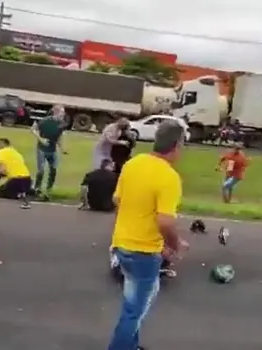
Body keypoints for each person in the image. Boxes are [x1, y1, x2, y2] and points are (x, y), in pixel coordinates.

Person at [107, 120, 189, 350]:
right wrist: (176, 244)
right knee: (134, 312)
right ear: (176, 144)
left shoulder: (134, 164)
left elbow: (117, 200)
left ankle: (131, 346)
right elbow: (164, 221)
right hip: (143, 253)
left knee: (133, 302)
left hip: (121, 244)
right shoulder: (169, 177)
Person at [32, 104, 67, 200]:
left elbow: (59, 136)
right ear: (56, 112)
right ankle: (37, 188)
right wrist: (41, 139)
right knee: (41, 170)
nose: (63, 114)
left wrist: (62, 148)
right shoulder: (45, 121)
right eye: (62, 112)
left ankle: (49, 189)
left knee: (53, 169)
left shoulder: (62, 124)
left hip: (52, 149)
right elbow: (33, 130)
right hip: (42, 149)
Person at [0, 138, 32, 209]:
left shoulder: (2, 152)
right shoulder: (16, 153)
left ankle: (19, 194)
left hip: (16, 180)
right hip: (27, 179)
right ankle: (25, 192)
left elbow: (3, 170)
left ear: (3, 144)